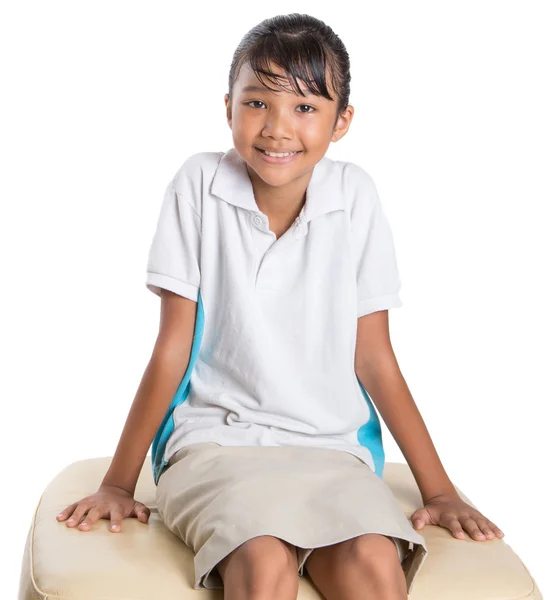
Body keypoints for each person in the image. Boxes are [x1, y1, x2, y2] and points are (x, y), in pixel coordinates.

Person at [56, 13, 505, 600]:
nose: (276, 128)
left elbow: (374, 357)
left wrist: (439, 490)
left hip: (330, 449)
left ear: (342, 121)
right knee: (263, 562)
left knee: (373, 562)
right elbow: (172, 347)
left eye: (305, 108)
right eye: (257, 103)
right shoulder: (198, 184)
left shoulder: (355, 197)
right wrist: (118, 482)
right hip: (215, 442)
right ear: (228, 108)